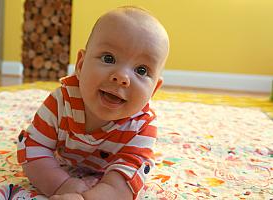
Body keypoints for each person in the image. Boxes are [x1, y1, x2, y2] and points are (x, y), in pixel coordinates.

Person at [17, 5, 169, 200]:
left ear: (154, 89)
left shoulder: (141, 126)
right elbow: (33, 148)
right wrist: (61, 184)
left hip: (111, 166)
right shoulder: (61, 102)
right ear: (80, 65)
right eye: (109, 58)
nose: (122, 77)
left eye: (141, 70)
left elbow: (126, 180)